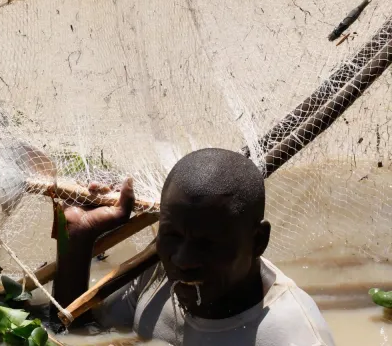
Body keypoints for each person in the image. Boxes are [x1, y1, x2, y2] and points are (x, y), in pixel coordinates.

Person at [53, 148, 336, 345]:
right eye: (172, 236)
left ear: (258, 241)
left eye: (207, 243)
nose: (184, 259)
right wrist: (78, 239)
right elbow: (80, 329)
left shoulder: (293, 337)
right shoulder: (158, 270)